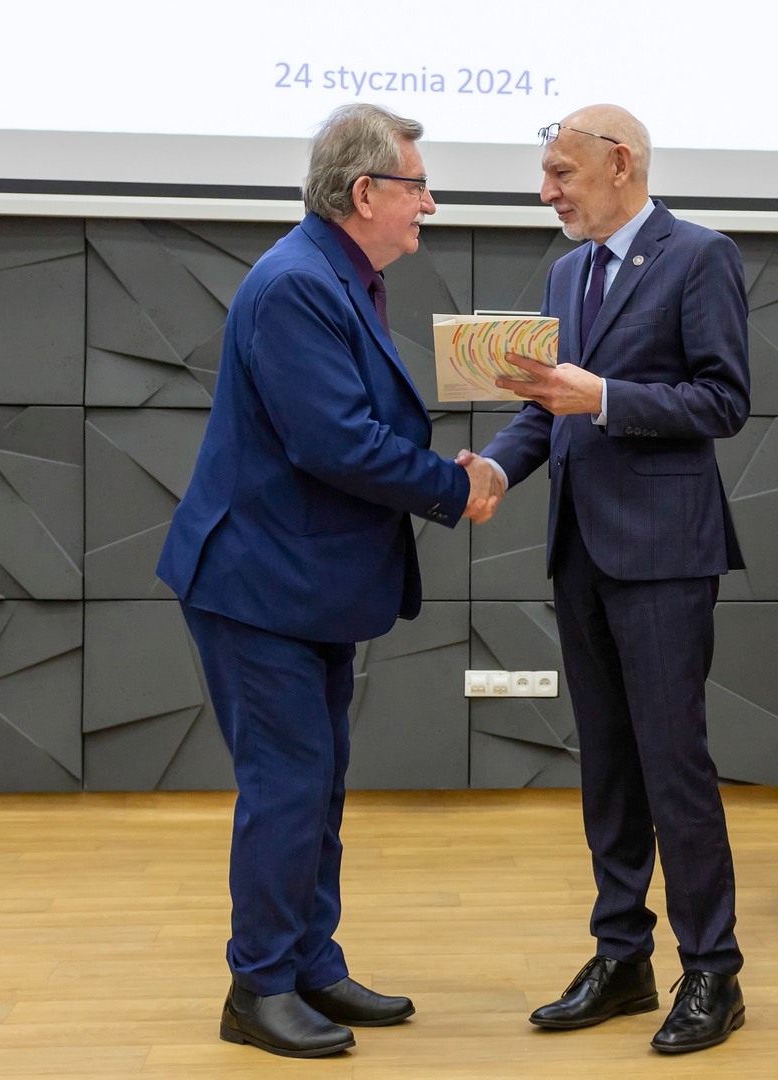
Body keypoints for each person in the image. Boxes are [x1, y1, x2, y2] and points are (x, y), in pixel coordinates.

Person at [156, 102, 504, 1059]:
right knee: (287, 786)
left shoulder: (336, 273)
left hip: (302, 580)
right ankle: (259, 986)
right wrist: (452, 487)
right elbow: (334, 441)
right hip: (258, 582)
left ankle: (310, 962)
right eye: (417, 187)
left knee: (317, 783)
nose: (428, 204)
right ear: (365, 192)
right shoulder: (297, 284)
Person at [479, 104, 751, 1054]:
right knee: (606, 766)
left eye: (561, 173)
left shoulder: (700, 256)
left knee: (674, 765)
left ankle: (713, 970)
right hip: (581, 551)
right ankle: (623, 957)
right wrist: (494, 470)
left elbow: (724, 399)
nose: (546, 192)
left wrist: (604, 397)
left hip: (665, 553)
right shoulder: (567, 271)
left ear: (620, 163)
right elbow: (547, 407)